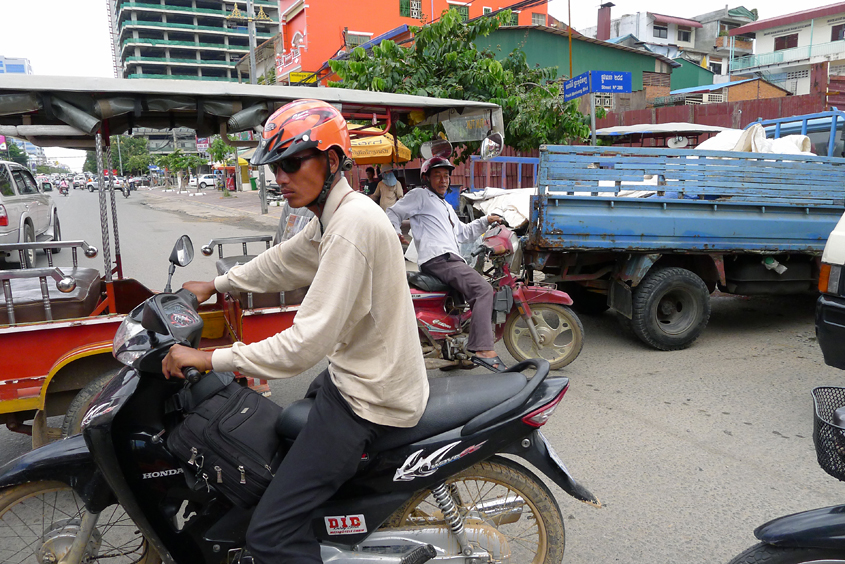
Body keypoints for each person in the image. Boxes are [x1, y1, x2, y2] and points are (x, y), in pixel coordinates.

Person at [160, 99, 428, 564]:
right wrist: (217, 284)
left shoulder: (350, 227)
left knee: (270, 536)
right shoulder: (336, 214)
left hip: (369, 401)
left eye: (291, 163)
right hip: (360, 376)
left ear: (332, 160)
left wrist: (210, 358)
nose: (280, 177)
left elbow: (304, 345)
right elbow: (285, 260)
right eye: (275, 167)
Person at [386, 156, 506, 371]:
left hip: (449, 258)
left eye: (446, 176)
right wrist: (394, 232)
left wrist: (486, 220)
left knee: (457, 308)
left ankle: (454, 353)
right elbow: (393, 212)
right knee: (482, 290)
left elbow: (464, 233)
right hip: (439, 259)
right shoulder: (420, 195)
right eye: (438, 176)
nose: (443, 180)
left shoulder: (446, 206)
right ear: (427, 179)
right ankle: (482, 349)